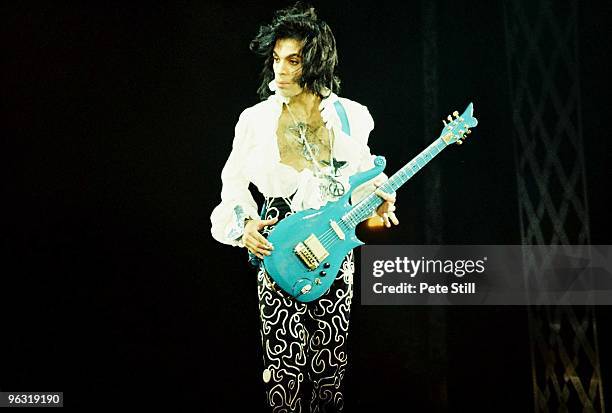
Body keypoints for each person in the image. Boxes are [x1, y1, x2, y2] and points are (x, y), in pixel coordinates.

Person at [210, 3, 398, 411]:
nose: (280, 70)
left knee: (330, 373)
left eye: (292, 60)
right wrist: (244, 225)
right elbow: (232, 185)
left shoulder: (351, 117)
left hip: (334, 247)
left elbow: (368, 184)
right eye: (276, 59)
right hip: (279, 248)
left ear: (314, 62)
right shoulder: (254, 120)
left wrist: (379, 209)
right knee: (283, 374)